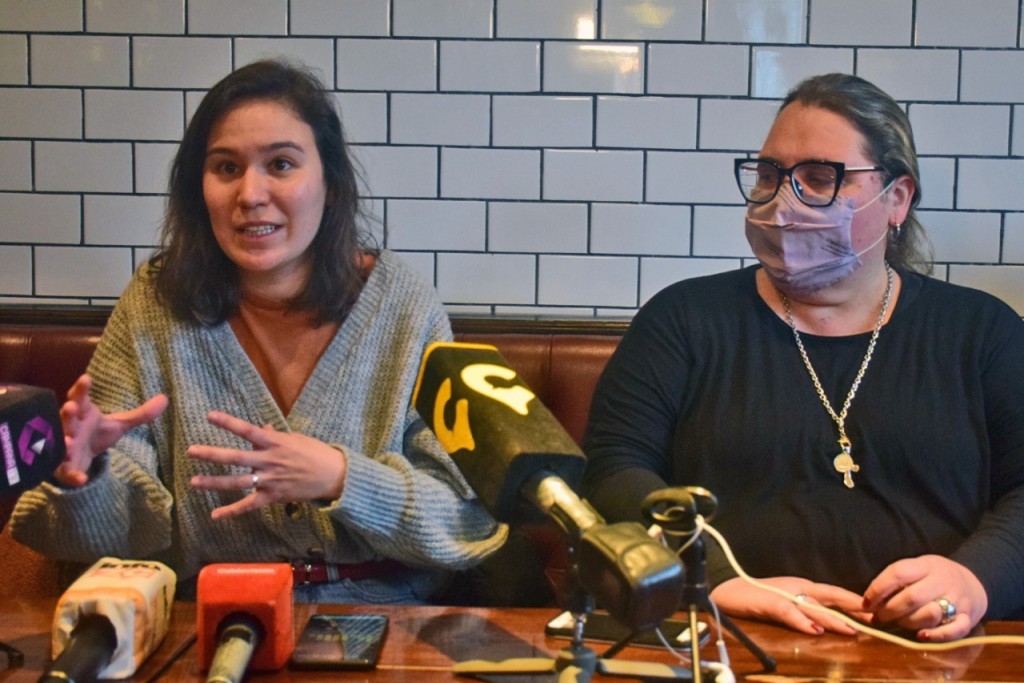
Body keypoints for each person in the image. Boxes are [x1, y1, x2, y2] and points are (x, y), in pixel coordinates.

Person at [10, 59, 505, 602]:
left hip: (386, 618)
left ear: (330, 184)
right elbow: (107, 534)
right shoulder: (156, 303)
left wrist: (341, 476)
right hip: (205, 615)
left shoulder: (403, 306)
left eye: (281, 164)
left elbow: (464, 518)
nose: (250, 194)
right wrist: (86, 476)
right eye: (226, 167)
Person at [582, 72, 1024, 642]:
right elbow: (613, 470)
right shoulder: (683, 319)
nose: (782, 203)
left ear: (897, 198)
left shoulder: (982, 331)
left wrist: (975, 578)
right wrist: (715, 580)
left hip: (933, 647)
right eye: (769, 175)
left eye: (819, 178)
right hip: (731, 636)